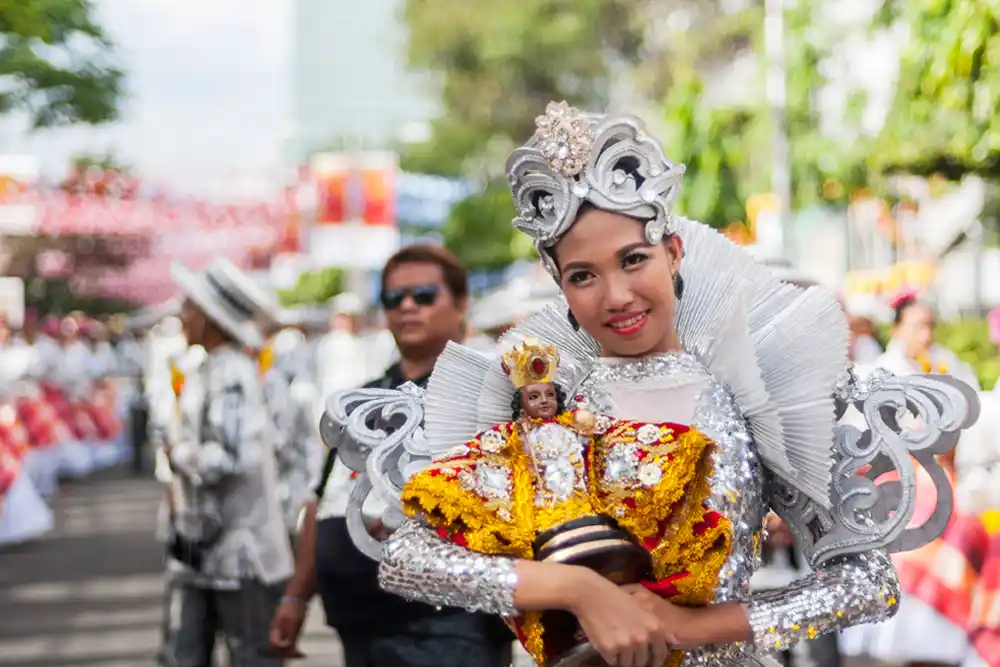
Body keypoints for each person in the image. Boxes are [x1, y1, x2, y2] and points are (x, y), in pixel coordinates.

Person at [330, 103, 979, 667]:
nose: (616, 295)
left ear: (673, 251)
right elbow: (407, 555)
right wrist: (575, 592)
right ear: (560, 286)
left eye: (633, 259)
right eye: (582, 275)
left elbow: (866, 582)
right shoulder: (544, 405)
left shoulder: (754, 394)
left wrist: (697, 624)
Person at [269, 244, 513, 667]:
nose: (406, 307)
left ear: (460, 304)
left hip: (451, 628)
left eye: (422, 295)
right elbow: (323, 499)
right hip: (360, 624)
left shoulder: (491, 399)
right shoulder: (367, 398)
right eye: (393, 298)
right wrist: (296, 595)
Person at [161, 259, 293, 667]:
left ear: (212, 319)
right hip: (205, 550)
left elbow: (235, 457)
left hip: (242, 555)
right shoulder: (207, 367)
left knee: (250, 655)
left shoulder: (232, 373)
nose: (181, 316)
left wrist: (178, 453)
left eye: (189, 307)